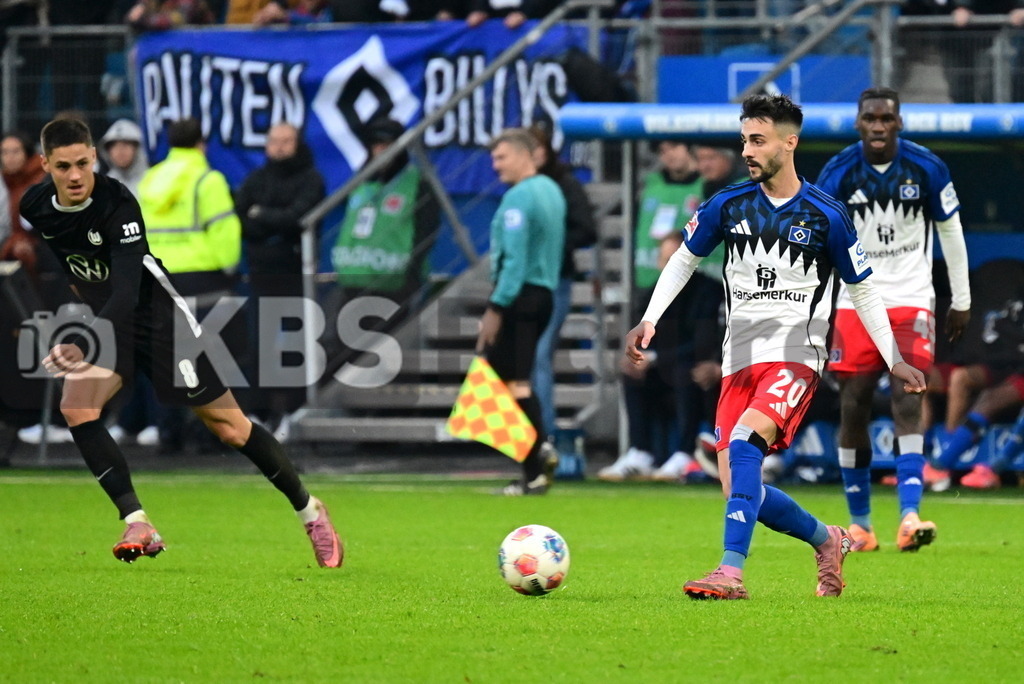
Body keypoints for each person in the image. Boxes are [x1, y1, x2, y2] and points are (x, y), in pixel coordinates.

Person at [625, 94, 927, 600]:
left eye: (758, 140)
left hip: (795, 356)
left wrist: (893, 356)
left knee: (745, 446)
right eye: (744, 139)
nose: (747, 150)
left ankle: (730, 571)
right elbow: (681, 260)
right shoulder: (727, 204)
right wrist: (648, 319)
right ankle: (826, 539)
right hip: (736, 360)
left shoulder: (826, 214)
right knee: (740, 490)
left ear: (790, 143)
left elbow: (863, 289)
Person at [18, 117, 342, 567]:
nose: (75, 176)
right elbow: (71, 259)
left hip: (157, 320)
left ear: (95, 157)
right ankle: (137, 520)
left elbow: (128, 293)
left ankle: (311, 512)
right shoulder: (35, 205)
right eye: (62, 166)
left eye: (82, 163)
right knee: (77, 407)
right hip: (108, 321)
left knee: (230, 428)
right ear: (44, 165)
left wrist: (85, 339)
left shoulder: (117, 202)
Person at [816, 86, 971, 553]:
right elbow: (818, 242)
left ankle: (909, 515)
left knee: (909, 394)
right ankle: (860, 525)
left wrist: (960, 298)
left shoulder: (927, 167)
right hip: (855, 300)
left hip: (910, 298)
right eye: (871, 119)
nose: (879, 126)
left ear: (899, 122)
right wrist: (818, 310)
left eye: (887, 118)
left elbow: (951, 230)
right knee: (854, 403)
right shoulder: (838, 171)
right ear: (859, 123)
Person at [600, 140, 705, 482]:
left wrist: (658, 358)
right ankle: (640, 451)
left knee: (685, 371)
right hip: (663, 365)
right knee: (631, 369)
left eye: (673, 259)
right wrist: (641, 357)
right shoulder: (651, 293)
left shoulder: (704, 290)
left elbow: (703, 343)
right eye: (663, 258)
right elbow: (642, 336)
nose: (666, 266)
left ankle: (684, 454)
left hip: (688, 366)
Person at [138, 118, 243, 453]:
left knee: (169, 362)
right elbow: (224, 231)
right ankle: (210, 436)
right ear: (202, 143)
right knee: (211, 361)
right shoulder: (207, 180)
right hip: (204, 280)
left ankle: (168, 434)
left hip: (160, 278)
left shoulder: (150, 179)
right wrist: (229, 269)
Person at [478, 128, 565, 496]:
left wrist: (496, 306)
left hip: (518, 297)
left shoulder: (517, 199)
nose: (496, 166)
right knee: (515, 379)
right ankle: (537, 455)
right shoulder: (551, 190)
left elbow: (514, 260)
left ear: (524, 155)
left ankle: (534, 463)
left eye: (501, 157)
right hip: (544, 293)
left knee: (508, 383)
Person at [324, 116, 439, 378]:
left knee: (388, 354)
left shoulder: (417, 184)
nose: (381, 151)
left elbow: (427, 230)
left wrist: (412, 273)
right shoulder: (361, 183)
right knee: (346, 350)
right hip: (355, 280)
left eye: (387, 145)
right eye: (376, 145)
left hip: (395, 284)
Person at [234, 122, 325, 430]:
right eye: (274, 140)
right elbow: (241, 219)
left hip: (295, 275)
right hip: (261, 275)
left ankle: (291, 411)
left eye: (287, 141)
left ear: (297, 144)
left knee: (292, 347)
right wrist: (271, 223)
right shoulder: (256, 179)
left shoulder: (311, 179)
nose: (280, 147)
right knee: (259, 345)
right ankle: (259, 413)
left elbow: (297, 218)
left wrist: (262, 216)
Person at [527, 124, 597, 445]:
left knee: (539, 354)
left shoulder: (565, 185)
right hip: (523, 282)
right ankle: (530, 433)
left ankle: (545, 435)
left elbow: (587, 230)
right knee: (525, 356)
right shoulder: (521, 188)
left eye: (538, 147)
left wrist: (551, 244)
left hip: (555, 279)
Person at [97, 119, 149, 198]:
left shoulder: (153, 179)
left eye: (126, 144)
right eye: (114, 146)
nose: (120, 151)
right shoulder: (105, 186)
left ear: (137, 149)